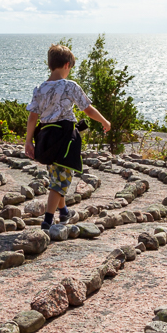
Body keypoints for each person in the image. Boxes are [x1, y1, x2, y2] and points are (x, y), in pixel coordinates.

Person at [24, 43, 111, 229]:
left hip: (45, 137)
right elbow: (87, 109)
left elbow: (32, 117)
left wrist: (28, 141)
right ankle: (47, 221)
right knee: (61, 179)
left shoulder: (39, 88)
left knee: (57, 176)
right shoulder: (70, 86)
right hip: (64, 138)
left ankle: (64, 213)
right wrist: (104, 121)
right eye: (71, 67)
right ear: (66, 65)